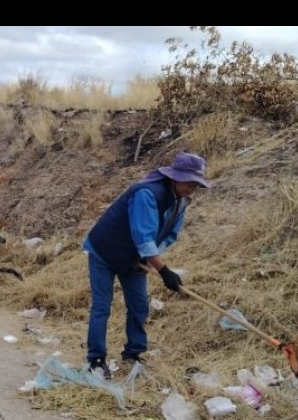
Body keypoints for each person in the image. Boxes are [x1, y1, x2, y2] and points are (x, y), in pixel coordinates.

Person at [83, 152, 211, 378]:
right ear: (175, 177)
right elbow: (143, 236)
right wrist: (163, 270)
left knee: (140, 305)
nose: (192, 188)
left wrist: (150, 258)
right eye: (189, 182)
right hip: (104, 251)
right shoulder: (147, 193)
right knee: (102, 306)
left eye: (196, 184)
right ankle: (96, 360)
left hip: (135, 258)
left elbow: (169, 235)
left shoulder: (181, 202)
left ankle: (133, 354)